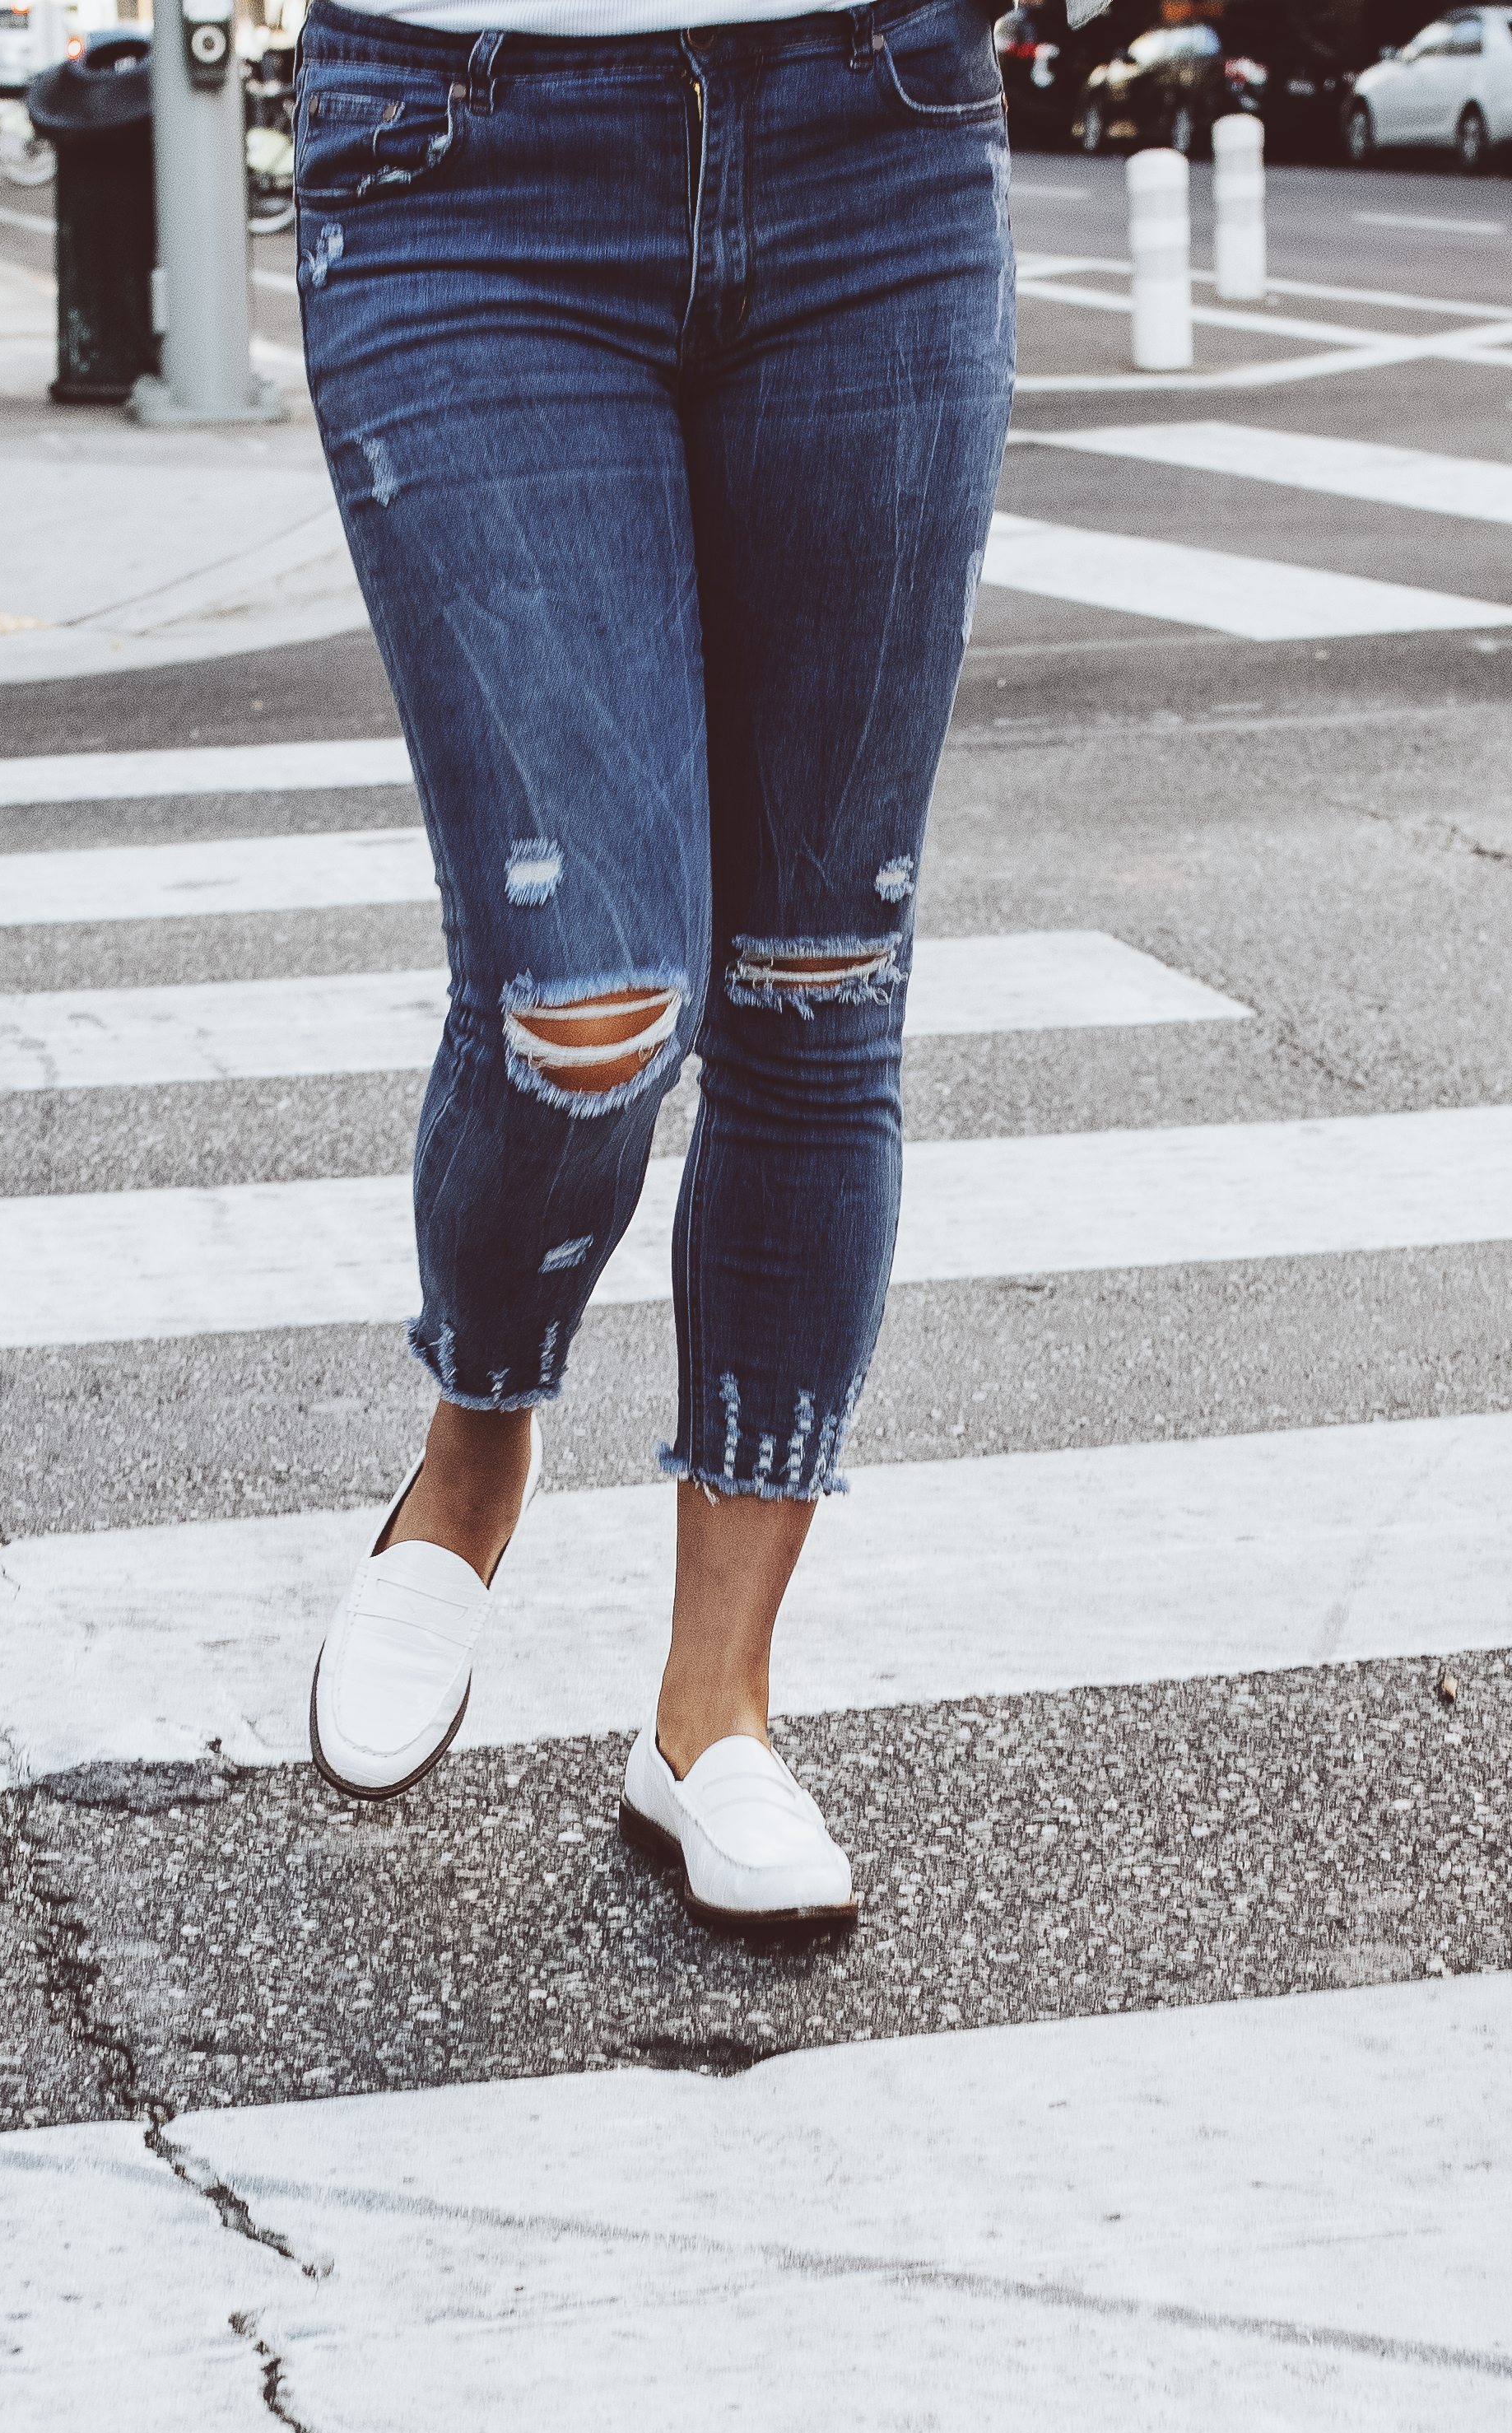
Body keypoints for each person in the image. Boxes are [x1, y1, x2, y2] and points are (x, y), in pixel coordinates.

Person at [282, 0, 1017, 1942]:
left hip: (880, 123)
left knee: (817, 973)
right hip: (462, 157)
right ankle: (479, 1433)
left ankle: (714, 1720)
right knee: (584, 997)